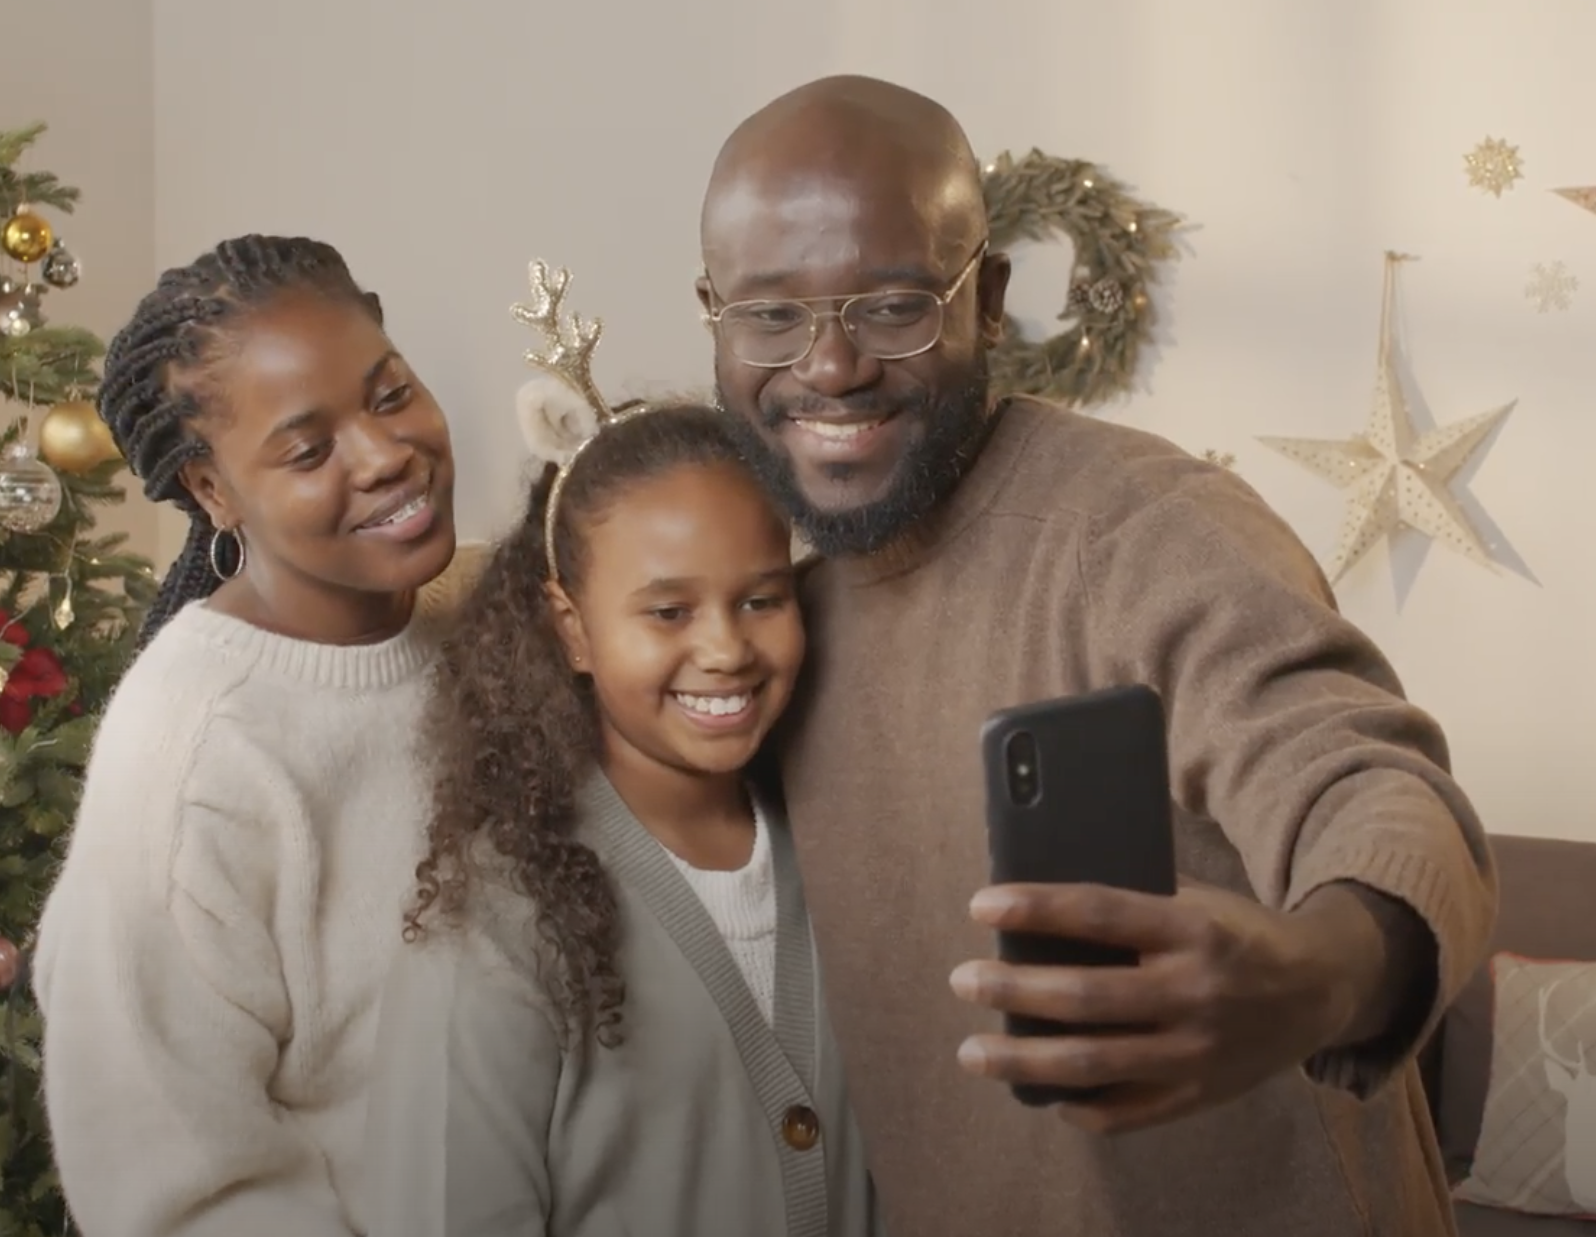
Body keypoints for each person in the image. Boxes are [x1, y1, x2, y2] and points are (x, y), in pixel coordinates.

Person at [691, 75, 1499, 1235]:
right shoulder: (768, 624)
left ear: (988, 302)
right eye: (772, 315)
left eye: (894, 305)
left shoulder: (1140, 529)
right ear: (715, 318)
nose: (829, 367)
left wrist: (1322, 973)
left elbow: (1366, 781)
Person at [364, 265, 878, 1237]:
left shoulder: (843, 852)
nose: (725, 649)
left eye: (760, 598)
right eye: (668, 611)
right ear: (571, 629)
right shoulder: (499, 924)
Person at [31, 233, 479, 1237]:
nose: (386, 454)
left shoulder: (484, 643)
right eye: (310, 450)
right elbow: (171, 1188)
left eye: (392, 394)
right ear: (213, 491)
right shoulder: (189, 755)